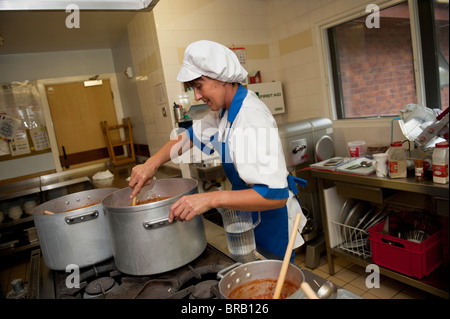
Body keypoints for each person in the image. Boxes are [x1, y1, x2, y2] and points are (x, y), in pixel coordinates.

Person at [128, 40, 307, 260]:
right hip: (249, 219)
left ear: (221, 77)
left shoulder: (251, 118)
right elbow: (187, 138)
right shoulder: (223, 113)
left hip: (270, 225)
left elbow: (275, 195)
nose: (196, 96)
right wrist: (150, 164)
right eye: (193, 88)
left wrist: (210, 199)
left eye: (199, 86)